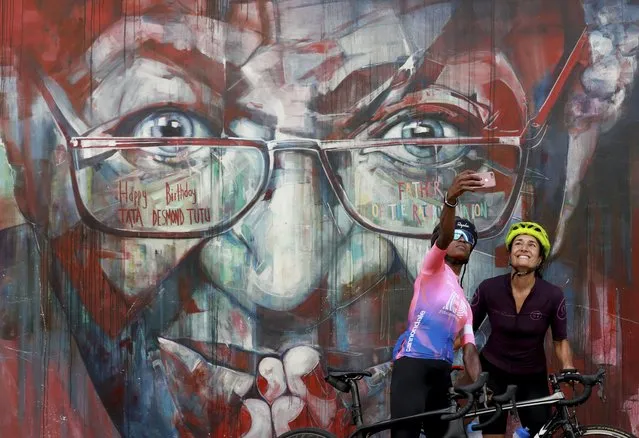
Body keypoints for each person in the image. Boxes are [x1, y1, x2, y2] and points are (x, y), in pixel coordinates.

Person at [390, 170, 484, 438]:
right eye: (457, 235)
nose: (462, 240)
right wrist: (450, 201)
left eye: (468, 239)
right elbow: (443, 238)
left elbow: (469, 350)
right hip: (413, 364)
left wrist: (480, 386)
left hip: (441, 373)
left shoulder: (465, 305)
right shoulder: (431, 270)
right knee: (404, 435)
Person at [470, 221, 575, 436]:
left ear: (540, 258)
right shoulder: (489, 288)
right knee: (492, 433)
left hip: (532, 377)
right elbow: (465, 331)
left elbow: (560, 340)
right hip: (492, 374)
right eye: (518, 243)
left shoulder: (553, 295)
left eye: (531, 245)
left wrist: (568, 367)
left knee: (540, 433)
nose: (524, 248)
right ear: (509, 255)